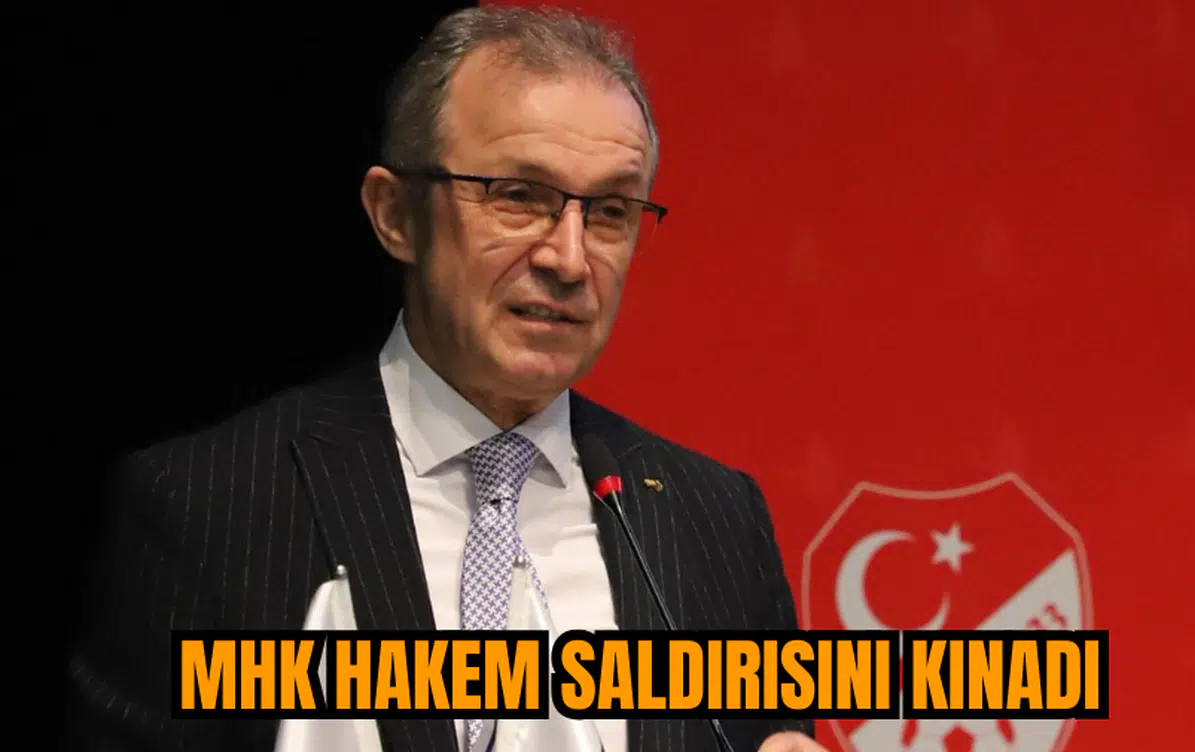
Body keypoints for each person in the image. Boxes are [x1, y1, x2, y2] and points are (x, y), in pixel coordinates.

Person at [61, 6, 827, 752]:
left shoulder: (714, 520)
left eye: (609, 212)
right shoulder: (209, 504)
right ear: (395, 214)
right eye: (518, 196)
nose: (569, 259)